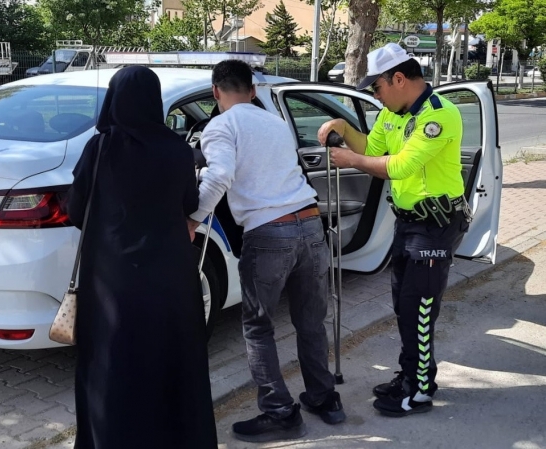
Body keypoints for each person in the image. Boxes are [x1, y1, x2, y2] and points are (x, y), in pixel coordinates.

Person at [187, 59, 346, 444]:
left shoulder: (221, 125)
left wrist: (191, 220)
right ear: (253, 90)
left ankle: (279, 412)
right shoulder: (275, 122)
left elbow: (219, 175)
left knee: (259, 326)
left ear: (216, 92)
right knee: (310, 320)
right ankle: (325, 399)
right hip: (310, 225)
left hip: (268, 233)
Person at [67, 66, 218, 449]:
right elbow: (189, 204)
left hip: (110, 279)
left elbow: (75, 210)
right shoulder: (177, 149)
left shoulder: (99, 148)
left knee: (111, 365)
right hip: (169, 276)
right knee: (170, 360)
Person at [317, 43, 471, 417]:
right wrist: (342, 127)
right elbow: (371, 145)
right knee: (405, 307)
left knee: (417, 309)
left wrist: (350, 159)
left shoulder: (439, 116)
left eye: (378, 87)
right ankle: (411, 376)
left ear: (398, 79)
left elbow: (399, 166)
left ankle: (418, 392)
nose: (375, 95)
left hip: (435, 226)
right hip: (408, 223)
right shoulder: (392, 114)